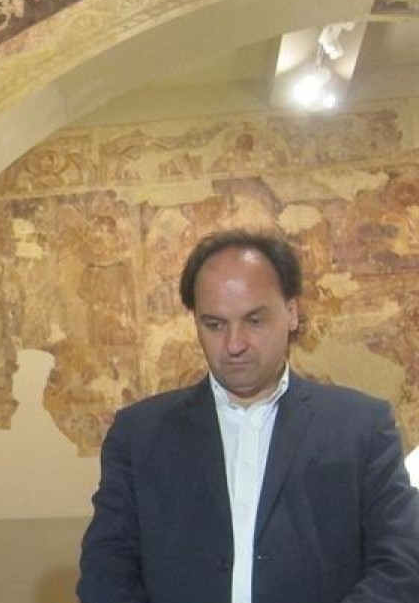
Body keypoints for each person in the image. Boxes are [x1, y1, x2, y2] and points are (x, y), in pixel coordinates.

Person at [77, 228, 419, 603]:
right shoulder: (138, 435)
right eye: (215, 324)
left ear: (291, 312)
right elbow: (106, 573)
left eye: (254, 321)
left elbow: (401, 564)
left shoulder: (362, 427)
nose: (234, 344)